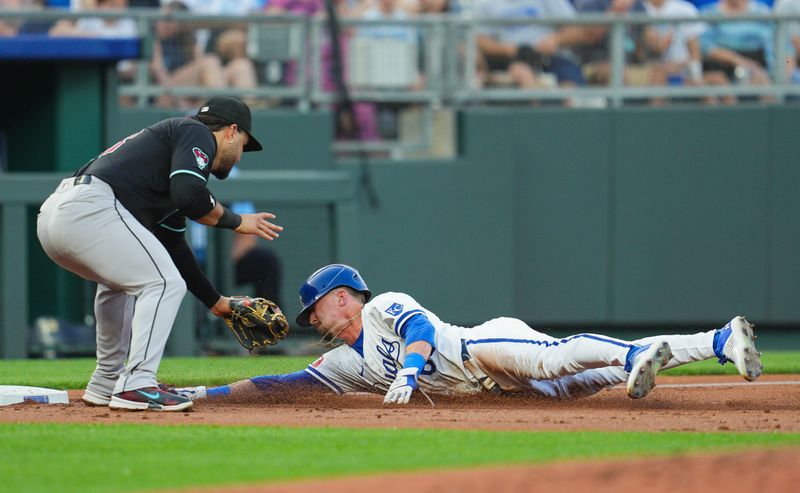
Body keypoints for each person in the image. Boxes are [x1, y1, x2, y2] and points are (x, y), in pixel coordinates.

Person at [174, 264, 763, 404]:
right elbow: (285, 385)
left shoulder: (383, 307)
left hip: (482, 345)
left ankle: (637, 350)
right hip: (498, 392)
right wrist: (203, 395)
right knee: (602, 377)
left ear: (341, 299)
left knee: (556, 360)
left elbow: (422, 328)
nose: (311, 323)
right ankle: (719, 342)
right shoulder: (346, 365)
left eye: (313, 313)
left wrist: (407, 371)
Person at [36, 96, 283, 412]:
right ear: (232, 131)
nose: (239, 157)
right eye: (243, 145)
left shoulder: (169, 162)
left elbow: (175, 248)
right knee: (164, 284)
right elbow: (189, 195)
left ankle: (106, 383)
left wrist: (216, 302)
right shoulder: (196, 132)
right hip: (91, 208)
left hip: (60, 215)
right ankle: (137, 383)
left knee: (123, 285)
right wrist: (238, 221)